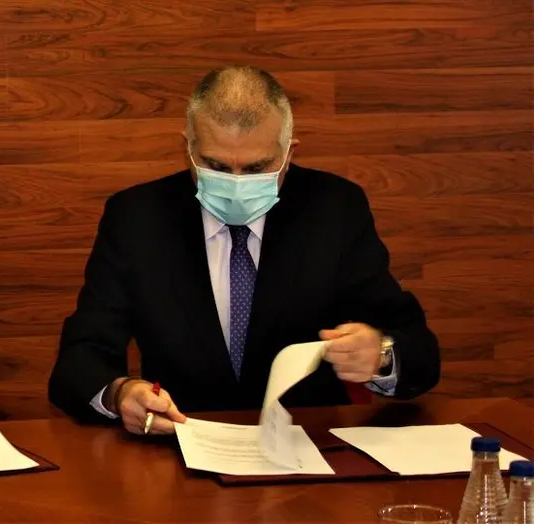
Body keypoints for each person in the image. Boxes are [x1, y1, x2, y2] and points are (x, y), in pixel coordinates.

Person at [48, 65, 440, 436]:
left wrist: (380, 355)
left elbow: (419, 351)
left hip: (309, 449)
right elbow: (81, 357)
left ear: (289, 153)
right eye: (215, 165)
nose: (235, 182)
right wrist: (119, 393)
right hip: (180, 446)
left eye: (256, 168)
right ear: (187, 149)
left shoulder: (335, 209)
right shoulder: (137, 217)